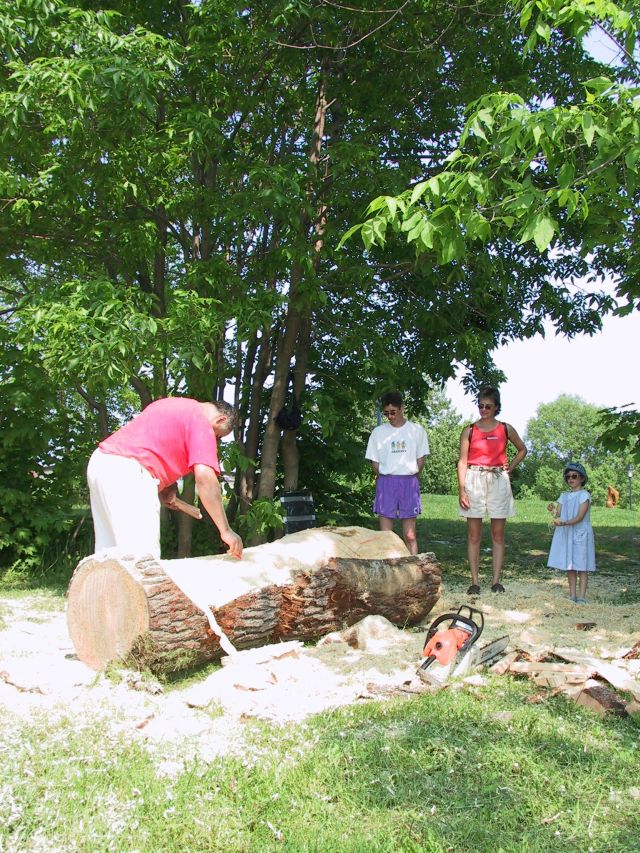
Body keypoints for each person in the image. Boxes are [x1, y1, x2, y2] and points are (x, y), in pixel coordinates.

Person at [87, 397, 243, 560]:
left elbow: (154, 446)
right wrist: (226, 531)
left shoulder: (172, 405)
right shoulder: (201, 421)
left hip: (101, 462)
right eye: (217, 435)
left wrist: (166, 486)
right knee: (142, 561)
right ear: (221, 419)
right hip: (127, 472)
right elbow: (205, 478)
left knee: (109, 556)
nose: (214, 439)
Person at [457, 386, 526, 595]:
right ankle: (475, 581)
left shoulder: (505, 428)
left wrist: (510, 467)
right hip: (474, 478)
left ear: (496, 407)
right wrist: (462, 489)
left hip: (498, 479)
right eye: (480, 405)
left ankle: (496, 581)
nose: (483, 409)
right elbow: (462, 461)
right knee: (473, 534)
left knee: (498, 533)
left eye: (488, 406)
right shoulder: (469, 430)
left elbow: (522, 449)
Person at [365, 391, 429, 555]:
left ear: (402, 408)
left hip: (409, 482)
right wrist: (387, 476)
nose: (390, 417)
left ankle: (414, 572)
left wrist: (410, 477)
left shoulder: (417, 431)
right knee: (386, 537)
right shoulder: (378, 433)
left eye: (393, 412)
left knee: (410, 535)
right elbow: (374, 463)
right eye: (386, 413)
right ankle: (389, 575)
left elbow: (420, 461)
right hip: (386, 483)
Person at [547, 462, 596, 603]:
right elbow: (559, 513)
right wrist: (553, 511)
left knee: (582, 565)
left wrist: (565, 523)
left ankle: (582, 597)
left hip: (580, 532)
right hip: (568, 532)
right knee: (570, 565)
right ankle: (572, 595)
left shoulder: (584, 495)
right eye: (568, 476)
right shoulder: (564, 496)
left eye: (574, 476)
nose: (571, 479)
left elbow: (580, 517)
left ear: (582, 478)